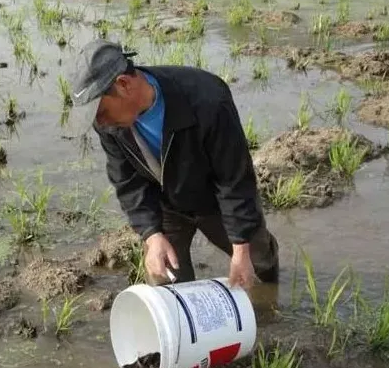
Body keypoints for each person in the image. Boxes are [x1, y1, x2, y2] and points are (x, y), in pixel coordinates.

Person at [68, 39, 279, 289]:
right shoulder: (109, 124)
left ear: (123, 84)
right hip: (167, 204)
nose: (99, 123)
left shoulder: (207, 99)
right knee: (165, 280)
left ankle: (270, 300)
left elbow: (233, 178)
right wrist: (152, 233)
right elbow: (127, 181)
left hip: (216, 200)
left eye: (100, 112)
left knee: (258, 262)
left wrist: (241, 248)